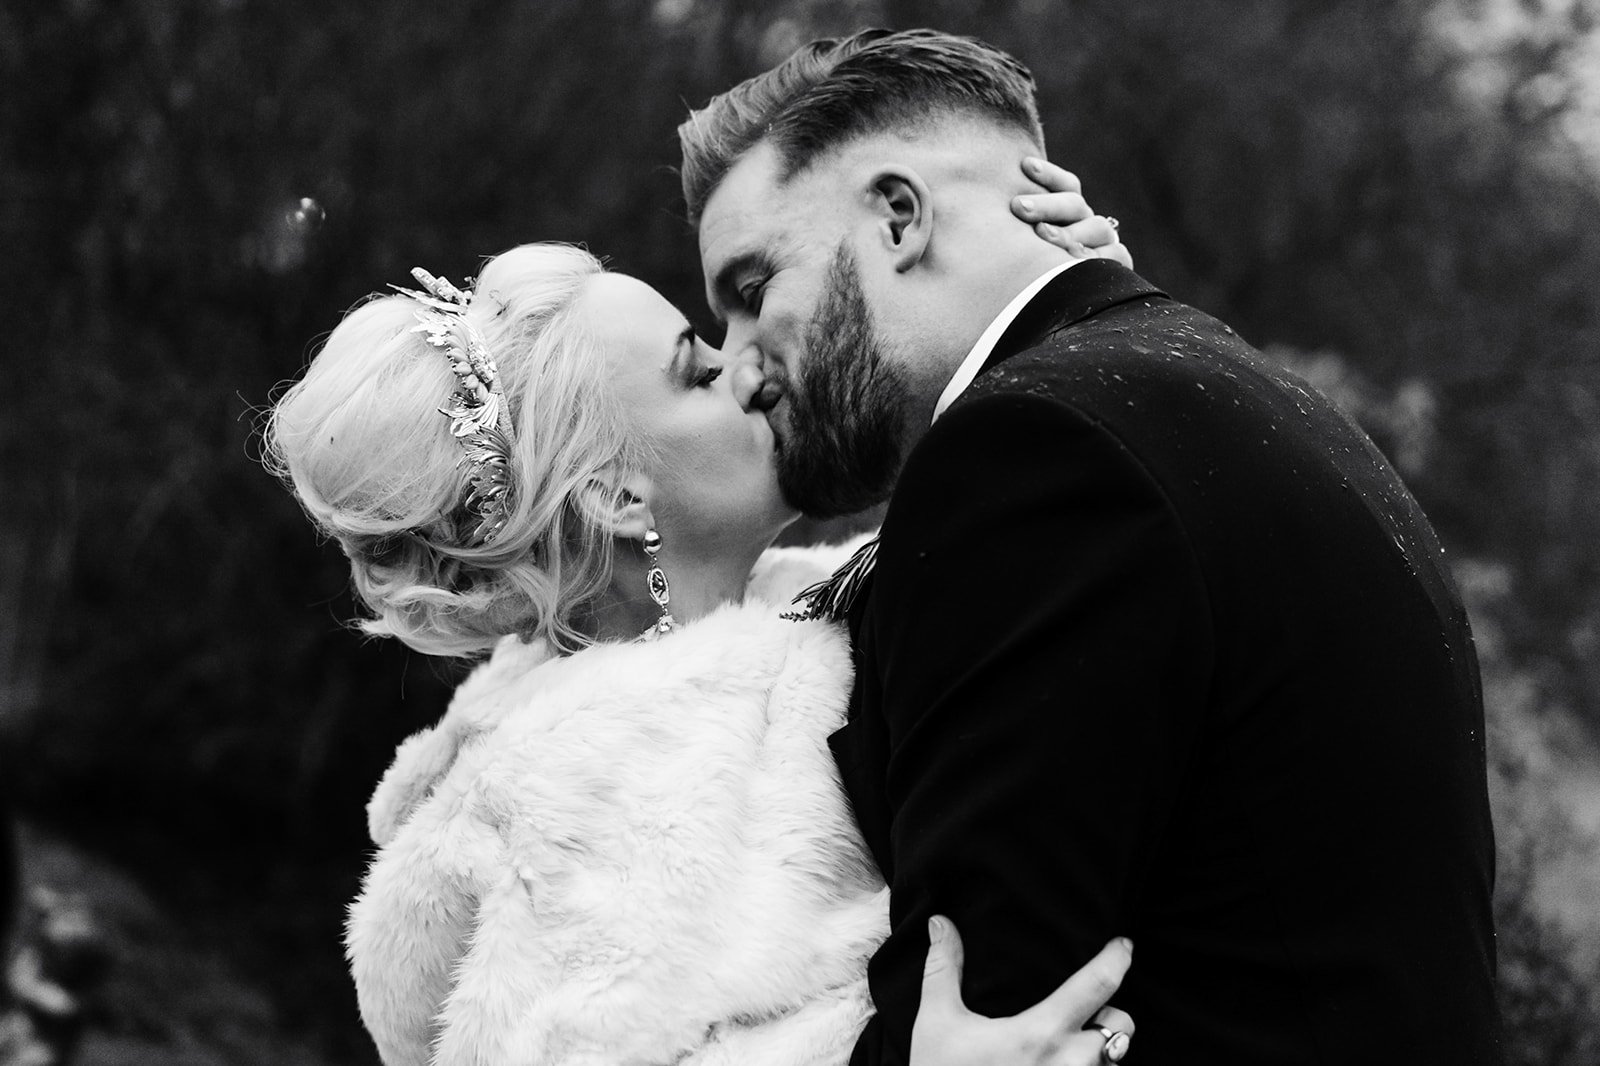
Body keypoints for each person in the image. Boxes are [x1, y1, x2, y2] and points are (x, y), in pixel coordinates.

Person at [679, 27, 1503, 1066]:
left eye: (751, 291)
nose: (742, 368)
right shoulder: (1216, 388)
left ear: (897, 216)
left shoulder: (1032, 455)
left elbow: (986, 1008)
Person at [266, 184, 1140, 1063]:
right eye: (696, 370)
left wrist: (1077, 314)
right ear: (614, 495)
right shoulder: (576, 789)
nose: (750, 369)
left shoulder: (823, 597)